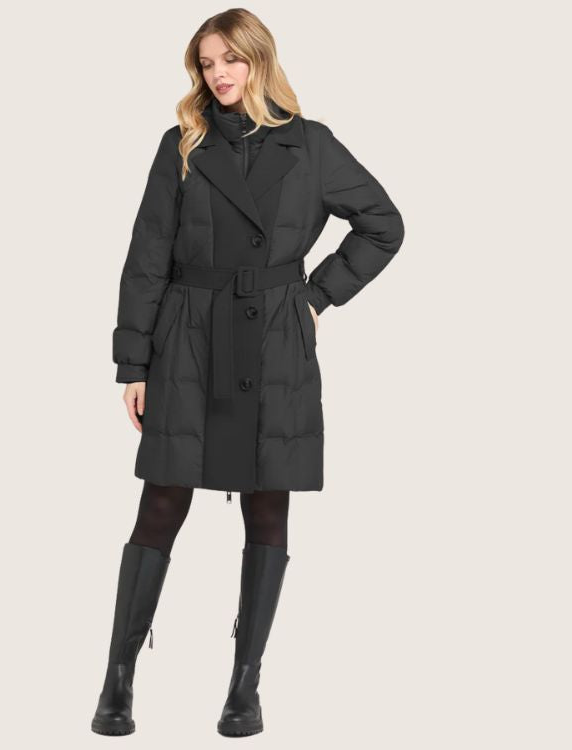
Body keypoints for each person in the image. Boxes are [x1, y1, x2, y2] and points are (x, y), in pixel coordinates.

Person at [92, 8, 405, 737]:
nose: (219, 75)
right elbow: (146, 256)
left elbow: (383, 224)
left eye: (231, 59)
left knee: (268, 506)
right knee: (161, 502)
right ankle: (118, 679)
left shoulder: (311, 144)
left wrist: (317, 297)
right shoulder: (182, 143)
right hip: (188, 339)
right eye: (207, 64)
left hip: (272, 342)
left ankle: (245, 686)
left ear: (260, 60)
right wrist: (133, 362)